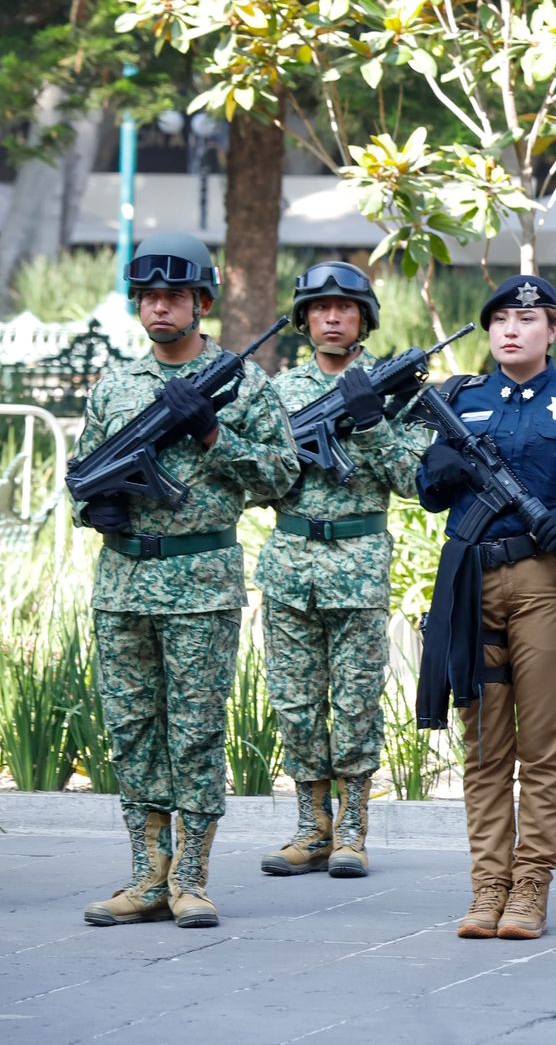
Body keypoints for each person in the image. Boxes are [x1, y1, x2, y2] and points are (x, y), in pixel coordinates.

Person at [77, 233, 298, 929]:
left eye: (175, 296)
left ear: (202, 302)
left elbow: (283, 474)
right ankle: (147, 876)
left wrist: (213, 435)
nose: (160, 308)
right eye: (149, 297)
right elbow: (82, 472)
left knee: (196, 732)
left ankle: (191, 879)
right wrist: (93, 506)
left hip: (200, 582)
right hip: (123, 584)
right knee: (133, 730)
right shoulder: (115, 386)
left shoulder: (243, 384)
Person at [416, 276, 556, 940]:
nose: (511, 330)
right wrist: (442, 469)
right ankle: (489, 887)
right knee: (485, 745)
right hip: (472, 585)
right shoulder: (460, 400)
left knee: (543, 747)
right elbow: (427, 493)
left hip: (546, 584)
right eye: (500, 320)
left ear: (552, 330)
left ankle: (530, 888)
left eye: (526, 319)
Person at [256, 263, 429, 881]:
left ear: (364, 319)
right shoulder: (276, 393)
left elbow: (415, 482)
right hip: (290, 563)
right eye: (320, 308)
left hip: (357, 565)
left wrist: (374, 424)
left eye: (345, 308)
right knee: (296, 702)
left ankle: (352, 831)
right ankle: (311, 828)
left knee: (355, 702)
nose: (332, 318)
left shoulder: (393, 391)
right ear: (303, 319)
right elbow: (252, 484)